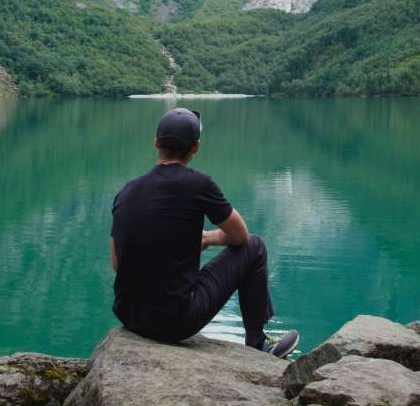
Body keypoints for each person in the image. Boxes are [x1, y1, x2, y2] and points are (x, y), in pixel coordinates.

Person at [109, 107, 298, 358]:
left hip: (130, 316)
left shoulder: (126, 191)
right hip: (173, 323)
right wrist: (208, 238)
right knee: (255, 246)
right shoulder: (199, 184)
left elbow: (116, 263)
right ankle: (257, 343)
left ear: (156, 143)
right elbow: (240, 237)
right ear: (195, 148)